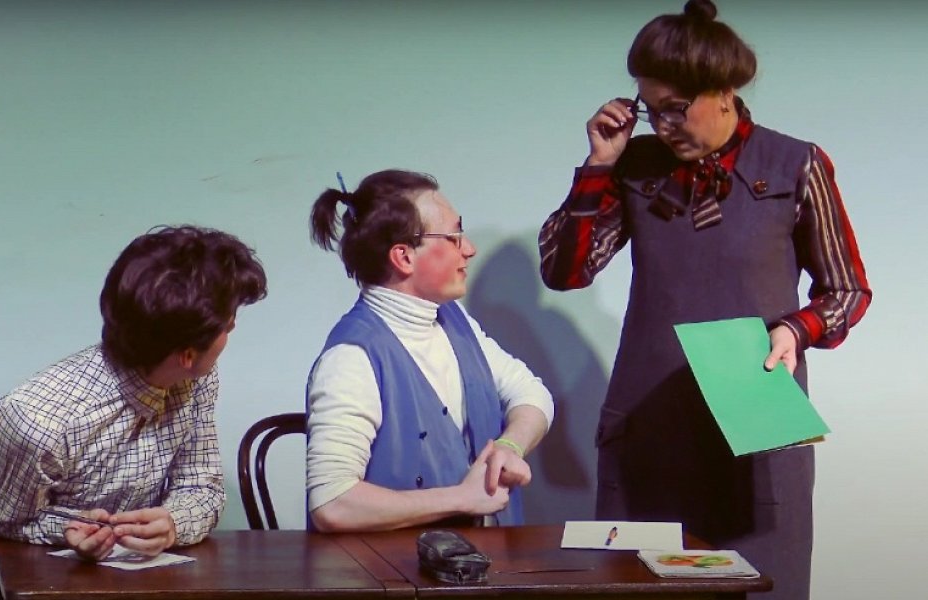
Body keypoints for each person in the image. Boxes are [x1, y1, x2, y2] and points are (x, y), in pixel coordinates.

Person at [537, 2, 871, 599]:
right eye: (650, 109)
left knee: (764, 588)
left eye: (675, 108)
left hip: (756, 429)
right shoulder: (636, 166)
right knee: (639, 589)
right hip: (650, 431)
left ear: (723, 92)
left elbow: (847, 289)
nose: (663, 126)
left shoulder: (796, 164)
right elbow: (566, 272)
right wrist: (599, 164)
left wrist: (795, 330)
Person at [0, 225, 267, 599]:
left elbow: (201, 486)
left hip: (143, 587)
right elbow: (3, 529)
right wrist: (68, 530)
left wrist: (173, 523)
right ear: (186, 354)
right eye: (227, 323)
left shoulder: (197, 379)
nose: (234, 326)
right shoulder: (37, 419)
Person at [306, 169, 554, 531]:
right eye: (454, 236)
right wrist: (461, 498)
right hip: (399, 566)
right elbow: (332, 503)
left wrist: (510, 446)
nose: (469, 248)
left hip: (481, 559)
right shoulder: (351, 358)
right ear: (404, 257)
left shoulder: (455, 319)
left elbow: (532, 393)